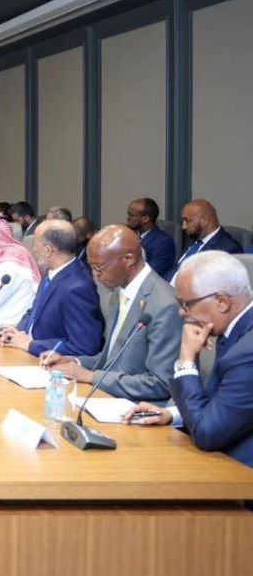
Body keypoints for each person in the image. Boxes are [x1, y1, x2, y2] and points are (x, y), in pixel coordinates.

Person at [124, 252, 253, 467]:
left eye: (186, 304)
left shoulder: (247, 352)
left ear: (221, 301)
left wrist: (186, 360)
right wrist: (173, 414)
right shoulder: (237, 330)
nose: (181, 313)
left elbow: (208, 434)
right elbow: (220, 406)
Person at [42, 225, 180, 402]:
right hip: (107, 397)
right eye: (92, 267)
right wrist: (73, 362)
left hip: (139, 407)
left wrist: (90, 376)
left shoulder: (165, 305)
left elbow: (160, 384)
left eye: (99, 267)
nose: (95, 275)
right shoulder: (118, 293)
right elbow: (112, 359)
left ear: (128, 259)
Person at [0, 219, 104, 357]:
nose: (33, 250)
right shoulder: (53, 272)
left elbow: (84, 346)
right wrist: (17, 333)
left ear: (48, 250)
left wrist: (31, 344)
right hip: (28, 353)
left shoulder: (77, 287)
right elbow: (34, 312)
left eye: (35, 245)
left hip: (48, 362)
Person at [169, 198, 244, 282]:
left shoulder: (227, 249)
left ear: (204, 221)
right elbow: (175, 271)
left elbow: (212, 284)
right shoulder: (194, 241)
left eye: (188, 221)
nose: (183, 227)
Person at [126, 197, 176, 279]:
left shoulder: (163, 243)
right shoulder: (128, 236)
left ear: (145, 219)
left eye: (132, 215)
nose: (128, 219)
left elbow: (151, 273)